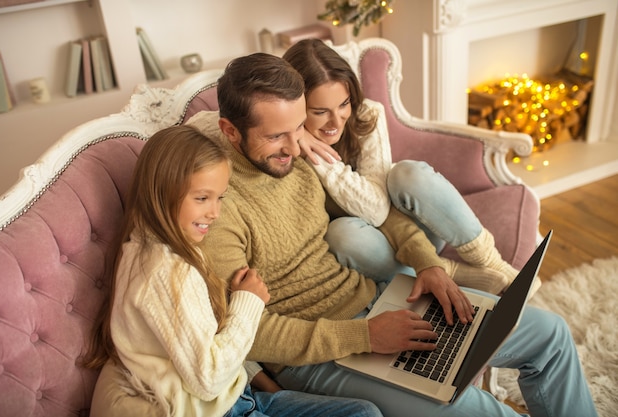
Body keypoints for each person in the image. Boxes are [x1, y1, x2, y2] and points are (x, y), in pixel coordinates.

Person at [186, 51, 597, 417]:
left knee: (551, 336)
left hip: (379, 302)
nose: (294, 148)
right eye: (276, 136)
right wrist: (365, 335)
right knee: (475, 409)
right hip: (315, 357)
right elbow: (243, 332)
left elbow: (383, 217)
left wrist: (429, 264)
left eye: (298, 129)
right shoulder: (214, 206)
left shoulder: (298, 161)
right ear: (230, 131)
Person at [84, 125, 383, 417]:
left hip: (242, 397)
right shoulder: (167, 273)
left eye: (220, 197)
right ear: (161, 193)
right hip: (218, 408)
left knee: (364, 412)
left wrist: (265, 386)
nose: (215, 213)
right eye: (202, 198)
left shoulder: (147, 245)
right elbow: (208, 379)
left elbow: (203, 340)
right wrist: (248, 301)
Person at [283, 38, 536, 296]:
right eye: (320, 111)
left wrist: (319, 153)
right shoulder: (284, 147)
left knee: (406, 173)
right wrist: (299, 136)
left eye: (343, 104)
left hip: (421, 230)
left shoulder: (367, 115)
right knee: (341, 235)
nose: (336, 121)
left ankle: (493, 263)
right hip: (373, 249)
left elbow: (378, 208)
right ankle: (444, 271)